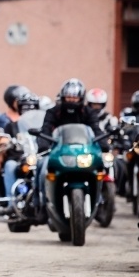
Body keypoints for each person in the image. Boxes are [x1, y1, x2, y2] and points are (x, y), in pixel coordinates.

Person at [34, 78, 108, 217]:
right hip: (58, 151)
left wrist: (104, 144)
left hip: (83, 151)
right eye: (68, 97)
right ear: (62, 97)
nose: (71, 100)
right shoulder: (53, 112)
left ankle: (99, 201)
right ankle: (41, 204)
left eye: (74, 98)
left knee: (102, 166)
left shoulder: (88, 112)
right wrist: (43, 145)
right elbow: (46, 129)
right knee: (42, 166)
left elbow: (96, 129)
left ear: (81, 98)